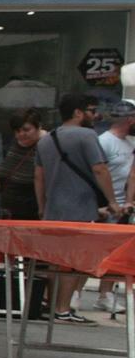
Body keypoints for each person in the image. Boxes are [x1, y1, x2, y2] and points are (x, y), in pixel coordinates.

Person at [36, 91, 121, 323]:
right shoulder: (86, 136)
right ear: (77, 112)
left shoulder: (46, 139)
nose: (94, 116)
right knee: (73, 261)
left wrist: (42, 207)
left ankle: (50, 303)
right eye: (91, 111)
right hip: (79, 209)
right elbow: (100, 169)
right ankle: (63, 309)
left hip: (53, 210)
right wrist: (112, 201)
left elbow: (39, 176)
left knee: (55, 259)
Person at [90, 100, 135, 314]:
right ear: (129, 119)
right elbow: (97, 172)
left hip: (122, 207)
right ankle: (79, 294)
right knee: (97, 252)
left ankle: (105, 294)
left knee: (115, 254)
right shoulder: (104, 142)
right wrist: (107, 202)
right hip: (106, 205)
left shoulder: (130, 144)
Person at [0, 111, 42, 220]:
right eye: (17, 131)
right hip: (6, 210)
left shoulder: (44, 146)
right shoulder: (15, 144)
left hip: (28, 213)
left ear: (38, 128)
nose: (21, 134)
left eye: (26, 130)